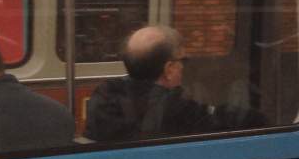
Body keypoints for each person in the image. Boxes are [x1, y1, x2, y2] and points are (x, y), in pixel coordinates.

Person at [85, 25, 262, 141]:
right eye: (183, 61)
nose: (184, 68)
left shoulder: (104, 96)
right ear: (169, 69)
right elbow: (247, 122)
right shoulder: (179, 109)